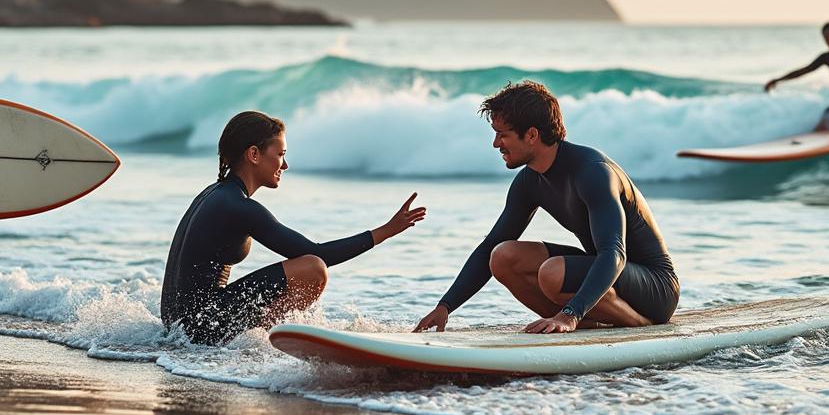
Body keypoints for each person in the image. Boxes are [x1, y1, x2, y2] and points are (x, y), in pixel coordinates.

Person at [413, 81, 678, 335]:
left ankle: (637, 323)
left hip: (655, 288)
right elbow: (490, 245)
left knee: (552, 273)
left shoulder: (593, 172)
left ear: (531, 135)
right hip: (605, 277)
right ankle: (582, 325)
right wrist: (445, 306)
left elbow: (614, 254)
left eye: (502, 135)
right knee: (502, 256)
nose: (496, 144)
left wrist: (571, 313)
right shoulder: (529, 181)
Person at [161, 110, 426, 345]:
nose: (285, 165)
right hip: (201, 329)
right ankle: (264, 342)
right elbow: (317, 253)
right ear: (254, 154)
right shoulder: (238, 206)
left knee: (309, 265)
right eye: (280, 155)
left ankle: (257, 336)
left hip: (177, 325)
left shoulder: (214, 195)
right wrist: (386, 230)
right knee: (313, 268)